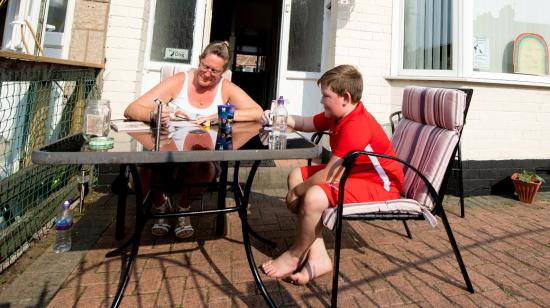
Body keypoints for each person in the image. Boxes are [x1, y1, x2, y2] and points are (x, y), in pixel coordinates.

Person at [259, 65, 404, 284]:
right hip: (355, 174)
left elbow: (329, 176)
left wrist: (296, 193)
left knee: (313, 195)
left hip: (381, 185)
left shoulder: (356, 125)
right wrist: (280, 118)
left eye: (325, 96)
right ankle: (318, 257)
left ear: (345, 97)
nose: (321, 101)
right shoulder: (337, 115)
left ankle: (295, 255)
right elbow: (307, 123)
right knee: (296, 175)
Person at [124, 41, 263, 239]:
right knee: (141, 174)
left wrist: (222, 114)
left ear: (223, 72)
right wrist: (155, 115)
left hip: (203, 155)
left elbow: (257, 112)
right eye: (205, 67)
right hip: (167, 150)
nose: (207, 74)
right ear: (199, 61)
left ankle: (183, 209)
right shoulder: (180, 81)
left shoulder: (226, 88)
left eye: (215, 71)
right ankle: (161, 206)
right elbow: (132, 109)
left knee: (205, 169)